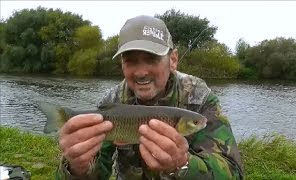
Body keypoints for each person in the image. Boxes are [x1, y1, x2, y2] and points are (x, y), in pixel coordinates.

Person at [56, 15, 244, 180]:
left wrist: (184, 164)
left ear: (173, 60)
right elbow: (99, 172)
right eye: (130, 61)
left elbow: (233, 172)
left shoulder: (200, 98)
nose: (141, 72)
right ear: (122, 64)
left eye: (151, 59)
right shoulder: (111, 101)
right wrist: (77, 168)